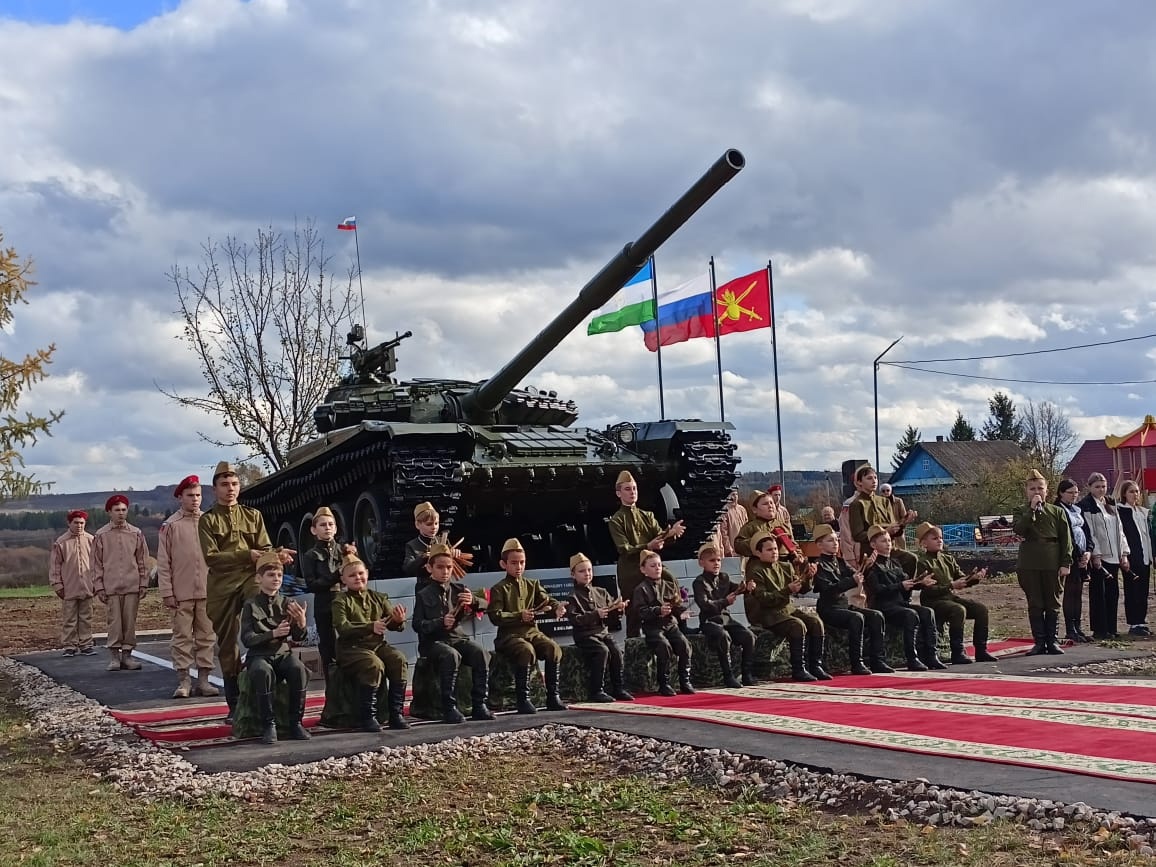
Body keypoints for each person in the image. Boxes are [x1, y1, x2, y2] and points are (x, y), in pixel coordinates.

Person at [200, 460, 289, 722]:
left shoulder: (253, 516)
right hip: (223, 584)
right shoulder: (208, 520)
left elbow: (265, 548)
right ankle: (235, 703)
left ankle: (266, 687)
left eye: (235, 484)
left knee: (262, 618)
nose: (230, 489)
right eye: (224, 484)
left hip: (251, 577)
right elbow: (211, 557)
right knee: (228, 642)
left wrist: (277, 555)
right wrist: (245, 555)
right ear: (215, 489)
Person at [412, 542, 494, 723]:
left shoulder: (459, 589)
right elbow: (417, 625)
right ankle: (449, 707)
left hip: (458, 638)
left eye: (449, 567)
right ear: (430, 568)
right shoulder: (423, 594)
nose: (445, 571)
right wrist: (440, 622)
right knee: (451, 655)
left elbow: (486, 605)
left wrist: (473, 601)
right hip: (434, 643)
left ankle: (479, 704)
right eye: (440, 567)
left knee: (481, 653)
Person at [488, 538, 568, 714]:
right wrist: (519, 615)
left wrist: (556, 607)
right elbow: (495, 616)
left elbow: (547, 600)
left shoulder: (532, 584)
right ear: (503, 564)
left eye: (522, 562)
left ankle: (553, 697)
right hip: (508, 636)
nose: (519, 566)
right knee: (526, 650)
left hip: (531, 632)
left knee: (553, 648)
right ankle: (523, 699)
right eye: (514, 563)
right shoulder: (499, 588)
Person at [239, 550, 311, 744]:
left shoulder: (287, 603)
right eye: (271, 575)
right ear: (259, 578)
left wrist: (301, 623)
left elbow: (299, 637)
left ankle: (295, 723)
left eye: (279, 575)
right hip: (259, 655)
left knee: (298, 669)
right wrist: (273, 634)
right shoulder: (251, 605)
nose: (276, 579)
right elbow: (247, 639)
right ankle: (268, 725)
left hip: (281, 654)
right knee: (262, 671)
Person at [332, 553, 410, 732]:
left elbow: (394, 625)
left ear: (367, 573)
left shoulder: (378, 597)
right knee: (373, 664)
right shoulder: (340, 600)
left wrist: (398, 620)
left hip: (377, 645)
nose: (357, 578)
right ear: (343, 579)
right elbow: (342, 628)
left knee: (398, 659)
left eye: (361, 573)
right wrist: (370, 627)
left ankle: (396, 714)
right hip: (351, 649)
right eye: (352, 575)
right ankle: (368, 716)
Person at [157, 475, 219, 698]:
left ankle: (204, 680)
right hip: (181, 592)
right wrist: (167, 592)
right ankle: (184, 680)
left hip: (207, 591)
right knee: (182, 638)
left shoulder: (209, 522)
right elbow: (163, 562)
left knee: (206, 637)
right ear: (180, 498)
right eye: (190, 495)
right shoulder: (170, 526)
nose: (195, 499)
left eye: (198, 495)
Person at [744, 529, 828, 682]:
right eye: (769, 550)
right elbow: (764, 599)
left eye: (775, 549)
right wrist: (787, 590)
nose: (774, 552)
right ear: (758, 553)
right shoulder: (755, 571)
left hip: (786, 609)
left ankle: (816, 666)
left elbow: (802, 588)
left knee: (816, 622)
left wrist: (808, 576)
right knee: (797, 626)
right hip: (767, 614)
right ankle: (798, 669)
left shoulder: (784, 566)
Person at [608, 471, 684, 638]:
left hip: (651, 565)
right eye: (627, 489)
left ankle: (679, 625)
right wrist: (648, 546)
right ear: (618, 493)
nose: (632, 492)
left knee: (670, 581)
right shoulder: (616, 520)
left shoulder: (647, 515)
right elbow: (624, 548)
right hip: (631, 569)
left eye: (634, 488)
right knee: (633, 610)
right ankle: (633, 643)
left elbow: (659, 535)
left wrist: (670, 534)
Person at [810, 523, 890, 675]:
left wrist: (867, 566)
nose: (835, 543)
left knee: (876, 615)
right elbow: (829, 590)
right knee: (856, 618)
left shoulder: (839, 562)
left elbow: (856, 574)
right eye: (830, 540)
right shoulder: (818, 565)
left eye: (836, 540)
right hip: (829, 608)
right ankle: (856, 662)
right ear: (819, 545)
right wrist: (852, 581)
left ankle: (877, 660)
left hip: (843, 606)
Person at [863, 524, 945, 671]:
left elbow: (907, 583)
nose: (888, 544)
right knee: (910, 615)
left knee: (927, 612)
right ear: (873, 545)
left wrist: (920, 583)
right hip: (883, 605)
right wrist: (900, 586)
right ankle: (912, 658)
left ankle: (931, 656)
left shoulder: (895, 562)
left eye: (889, 541)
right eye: (883, 541)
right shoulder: (871, 566)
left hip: (898, 603)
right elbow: (877, 590)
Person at [913, 522, 998, 664]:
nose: (940, 540)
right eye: (935, 538)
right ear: (924, 544)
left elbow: (961, 579)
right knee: (958, 610)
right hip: (933, 601)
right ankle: (957, 652)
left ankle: (981, 650)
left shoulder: (948, 559)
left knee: (981, 609)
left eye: (941, 538)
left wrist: (973, 578)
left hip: (949, 598)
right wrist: (951, 585)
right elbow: (928, 589)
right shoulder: (922, 562)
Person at [1016, 469, 1074, 654]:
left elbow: (1066, 539)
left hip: (1052, 561)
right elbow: (1019, 530)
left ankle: (1052, 640)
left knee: (1053, 602)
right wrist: (1031, 510)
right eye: (1032, 488)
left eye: (1040, 488)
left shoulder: (1057, 511)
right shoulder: (1021, 511)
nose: (1036, 492)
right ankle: (1039, 641)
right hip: (1029, 563)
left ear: (1047, 491)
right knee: (1035, 602)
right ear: (1026, 491)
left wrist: (1066, 562)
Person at [566, 552, 633, 702]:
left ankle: (618, 688)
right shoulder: (573, 597)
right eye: (582, 571)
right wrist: (595, 614)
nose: (587, 574)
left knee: (616, 651)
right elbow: (575, 620)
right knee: (602, 651)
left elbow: (611, 619)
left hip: (602, 632)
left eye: (589, 570)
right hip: (585, 635)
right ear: (573, 575)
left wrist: (618, 610)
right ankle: (597, 690)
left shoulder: (601, 592)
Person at [93, 495, 149, 672]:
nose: (121, 513)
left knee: (129, 622)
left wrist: (143, 583)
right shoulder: (101, 535)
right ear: (109, 512)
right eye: (117, 510)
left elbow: (142, 560)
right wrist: (99, 586)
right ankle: (114, 657)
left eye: (124, 510)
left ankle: (127, 656)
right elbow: (96, 564)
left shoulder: (136, 533)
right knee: (114, 622)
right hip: (111, 587)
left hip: (132, 585)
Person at [692, 541, 756, 687]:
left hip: (726, 619)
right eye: (712, 560)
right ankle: (728, 676)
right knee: (723, 636)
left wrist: (747, 587)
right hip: (709, 621)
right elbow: (704, 605)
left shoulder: (724, 577)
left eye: (718, 560)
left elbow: (736, 588)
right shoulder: (699, 582)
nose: (716, 564)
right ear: (701, 563)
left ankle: (746, 674)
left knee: (749, 636)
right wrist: (725, 602)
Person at [633, 550, 695, 695]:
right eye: (653, 565)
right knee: (663, 646)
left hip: (670, 625)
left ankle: (685, 681)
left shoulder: (669, 585)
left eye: (659, 565)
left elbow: (676, 605)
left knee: (685, 646)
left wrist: (681, 613)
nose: (657, 568)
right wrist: (657, 611)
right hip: (653, 627)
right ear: (643, 569)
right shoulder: (640, 589)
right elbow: (640, 612)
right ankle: (664, 683)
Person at [298, 506, 350, 674]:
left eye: (330, 524)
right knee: (328, 647)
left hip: (344, 600)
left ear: (336, 528)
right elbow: (311, 584)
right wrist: (336, 576)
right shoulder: (310, 555)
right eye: (322, 525)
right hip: (324, 603)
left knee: (348, 644)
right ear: (314, 530)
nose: (327, 528)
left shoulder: (344, 551)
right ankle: (333, 685)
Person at [1077, 472, 1127, 640]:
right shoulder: (1086, 505)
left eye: (1103, 486)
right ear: (1090, 487)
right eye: (1097, 486)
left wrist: (1124, 553)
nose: (1101, 489)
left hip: (1114, 554)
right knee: (1099, 593)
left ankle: (1112, 627)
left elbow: (1119, 529)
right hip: (1100, 556)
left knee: (1113, 593)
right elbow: (1090, 532)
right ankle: (1100, 629)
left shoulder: (1111, 503)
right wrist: (1096, 554)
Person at [49, 510, 96, 658]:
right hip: (69, 587)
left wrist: (97, 582)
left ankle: (86, 644)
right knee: (69, 618)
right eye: (76, 523)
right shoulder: (61, 542)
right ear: (69, 523)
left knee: (86, 617)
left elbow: (98, 564)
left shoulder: (91, 540)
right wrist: (57, 585)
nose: (79, 525)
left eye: (82, 523)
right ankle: (70, 645)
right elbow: (55, 566)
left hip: (88, 586)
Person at [1055, 479, 1093, 642]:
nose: (1074, 495)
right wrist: (1077, 554)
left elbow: (1086, 531)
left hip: (1082, 554)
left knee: (1078, 592)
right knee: (1070, 592)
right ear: (1061, 493)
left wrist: (1088, 551)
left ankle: (1078, 627)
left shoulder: (1077, 509)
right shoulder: (1058, 509)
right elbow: (1066, 534)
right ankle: (1070, 628)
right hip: (1070, 555)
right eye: (1070, 492)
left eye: (1076, 492)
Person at [1115, 479, 1152, 637]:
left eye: (1137, 491)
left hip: (1144, 555)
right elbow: (1121, 534)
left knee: (1143, 590)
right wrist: (1124, 555)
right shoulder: (1121, 511)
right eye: (1131, 491)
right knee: (1132, 590)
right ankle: (1134, 622)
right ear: (1124, 493)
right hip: (1131, 555)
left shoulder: (1142, 512)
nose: (1135, 494)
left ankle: (1141, 621)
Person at [848, 466, 913, 552]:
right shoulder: (856, 504)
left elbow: (893, 527)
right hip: (871, 552)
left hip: (890, 549)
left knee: (911, 558)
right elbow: (858, 535)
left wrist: (903, 522)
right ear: (859, 482)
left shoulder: (885, 501)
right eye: (869, 478)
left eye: (875, 478)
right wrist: (884, 532)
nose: (874, 481)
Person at [403, 502, 462, 590]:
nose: (434, 527)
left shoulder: (443, 541)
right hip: (424, 589)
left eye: (436, 523)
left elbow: (455, 567)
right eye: (429, 524)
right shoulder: (412, 545)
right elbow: (408, 569)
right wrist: (423, 557)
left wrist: (457, 557)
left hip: (445, 588)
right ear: (417, 525)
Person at [878, 483, 916, 550]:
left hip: (898, 529)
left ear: (891, 491)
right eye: (883, 491)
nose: (886, 492)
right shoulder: (878, 502)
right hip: (885, 530)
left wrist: (901, 524)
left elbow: (903, 516)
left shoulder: (898, 501)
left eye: (888, 490)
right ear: (881, 492)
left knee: (901, 550)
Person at [717, 489, 749, 557]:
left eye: (736, 494)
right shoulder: (724, 511)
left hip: (743, 548)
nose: (734, 497)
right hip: (732, 550)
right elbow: (723, 532)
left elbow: (747, 528)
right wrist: (728, 549)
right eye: (731, 494)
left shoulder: (742, 509)